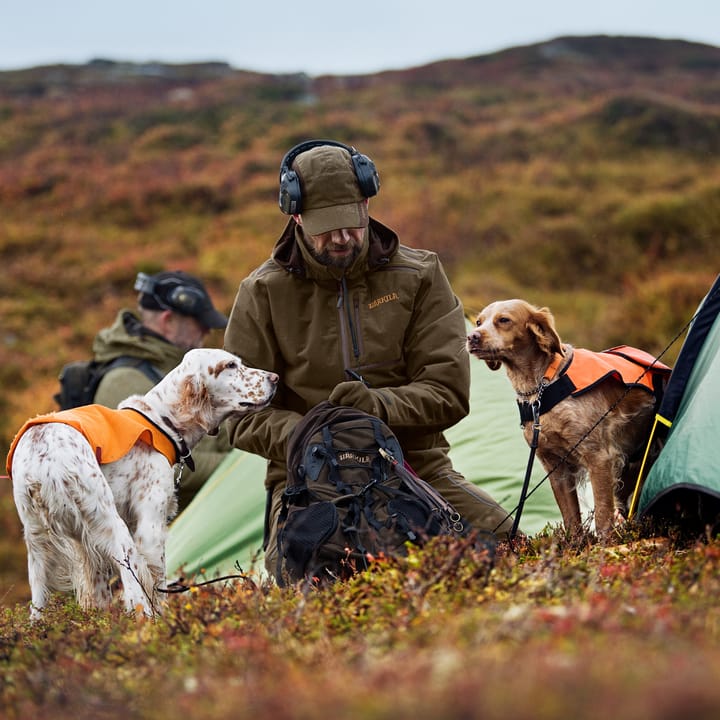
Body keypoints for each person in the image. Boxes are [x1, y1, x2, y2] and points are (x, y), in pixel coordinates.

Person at [223, 139, 515, 578]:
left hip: (417, 470)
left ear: (366, 202)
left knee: (510, 548)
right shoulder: (262, 293)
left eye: (351, 222)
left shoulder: (421, 276)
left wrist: (375, 410)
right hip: (308, 484)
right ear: (296, 215)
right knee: (307, 583)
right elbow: (236, 414)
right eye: (326, 226)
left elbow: (449, 393)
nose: (341, 237)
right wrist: (318, 435)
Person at [92, 269, 233, 512]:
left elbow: (216, 433)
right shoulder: (125, 382)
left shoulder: (178, 372)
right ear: (168, 322)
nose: (207, 332)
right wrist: (239, 469)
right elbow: (158, 462)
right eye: (199, 324)